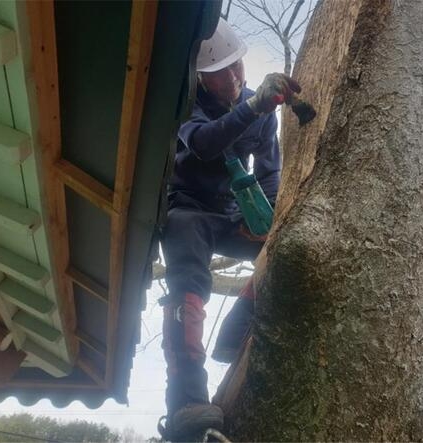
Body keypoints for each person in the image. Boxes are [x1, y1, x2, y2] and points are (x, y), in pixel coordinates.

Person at [159, 18, 300, 439]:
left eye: (239, 66)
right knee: (188, 272)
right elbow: (204, 143)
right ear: (202, 77)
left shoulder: (260, 113)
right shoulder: (188, 103)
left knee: (285, 249)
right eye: (225, 71)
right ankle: (186, 399)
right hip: (187, 209)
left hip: (229, 214)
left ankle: (235, 331)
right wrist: (253, 106)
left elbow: (270, 172)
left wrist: (270, 218)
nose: (237, 76)